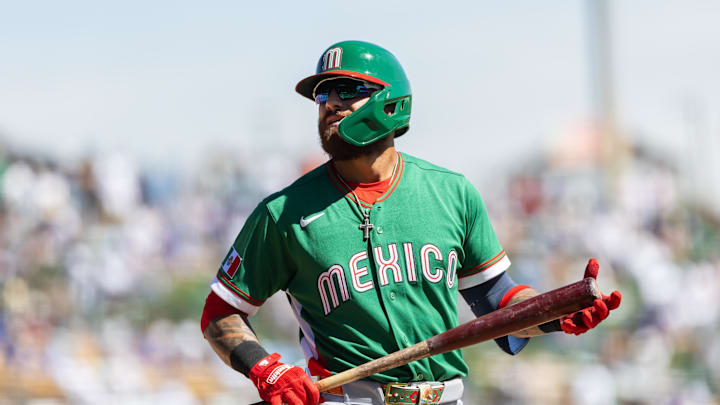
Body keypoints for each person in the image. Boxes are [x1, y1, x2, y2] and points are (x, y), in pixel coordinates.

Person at [200, 40, 621, 405]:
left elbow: (497, 302)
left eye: (346, 89)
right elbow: (220, 313)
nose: (330, 103)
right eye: (323, 94)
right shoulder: (285, 213)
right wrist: (267, 371)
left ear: (391, 101)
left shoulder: (451, 193)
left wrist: (555, 313)